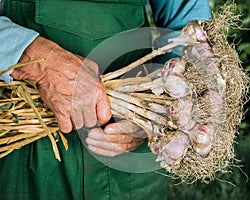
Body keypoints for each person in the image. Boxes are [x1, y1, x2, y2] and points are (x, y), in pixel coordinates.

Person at [0, 0, 211, 199]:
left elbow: (186, 20)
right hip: (19, 138)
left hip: (127, 160)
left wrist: (151, 111)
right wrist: (32, 59)